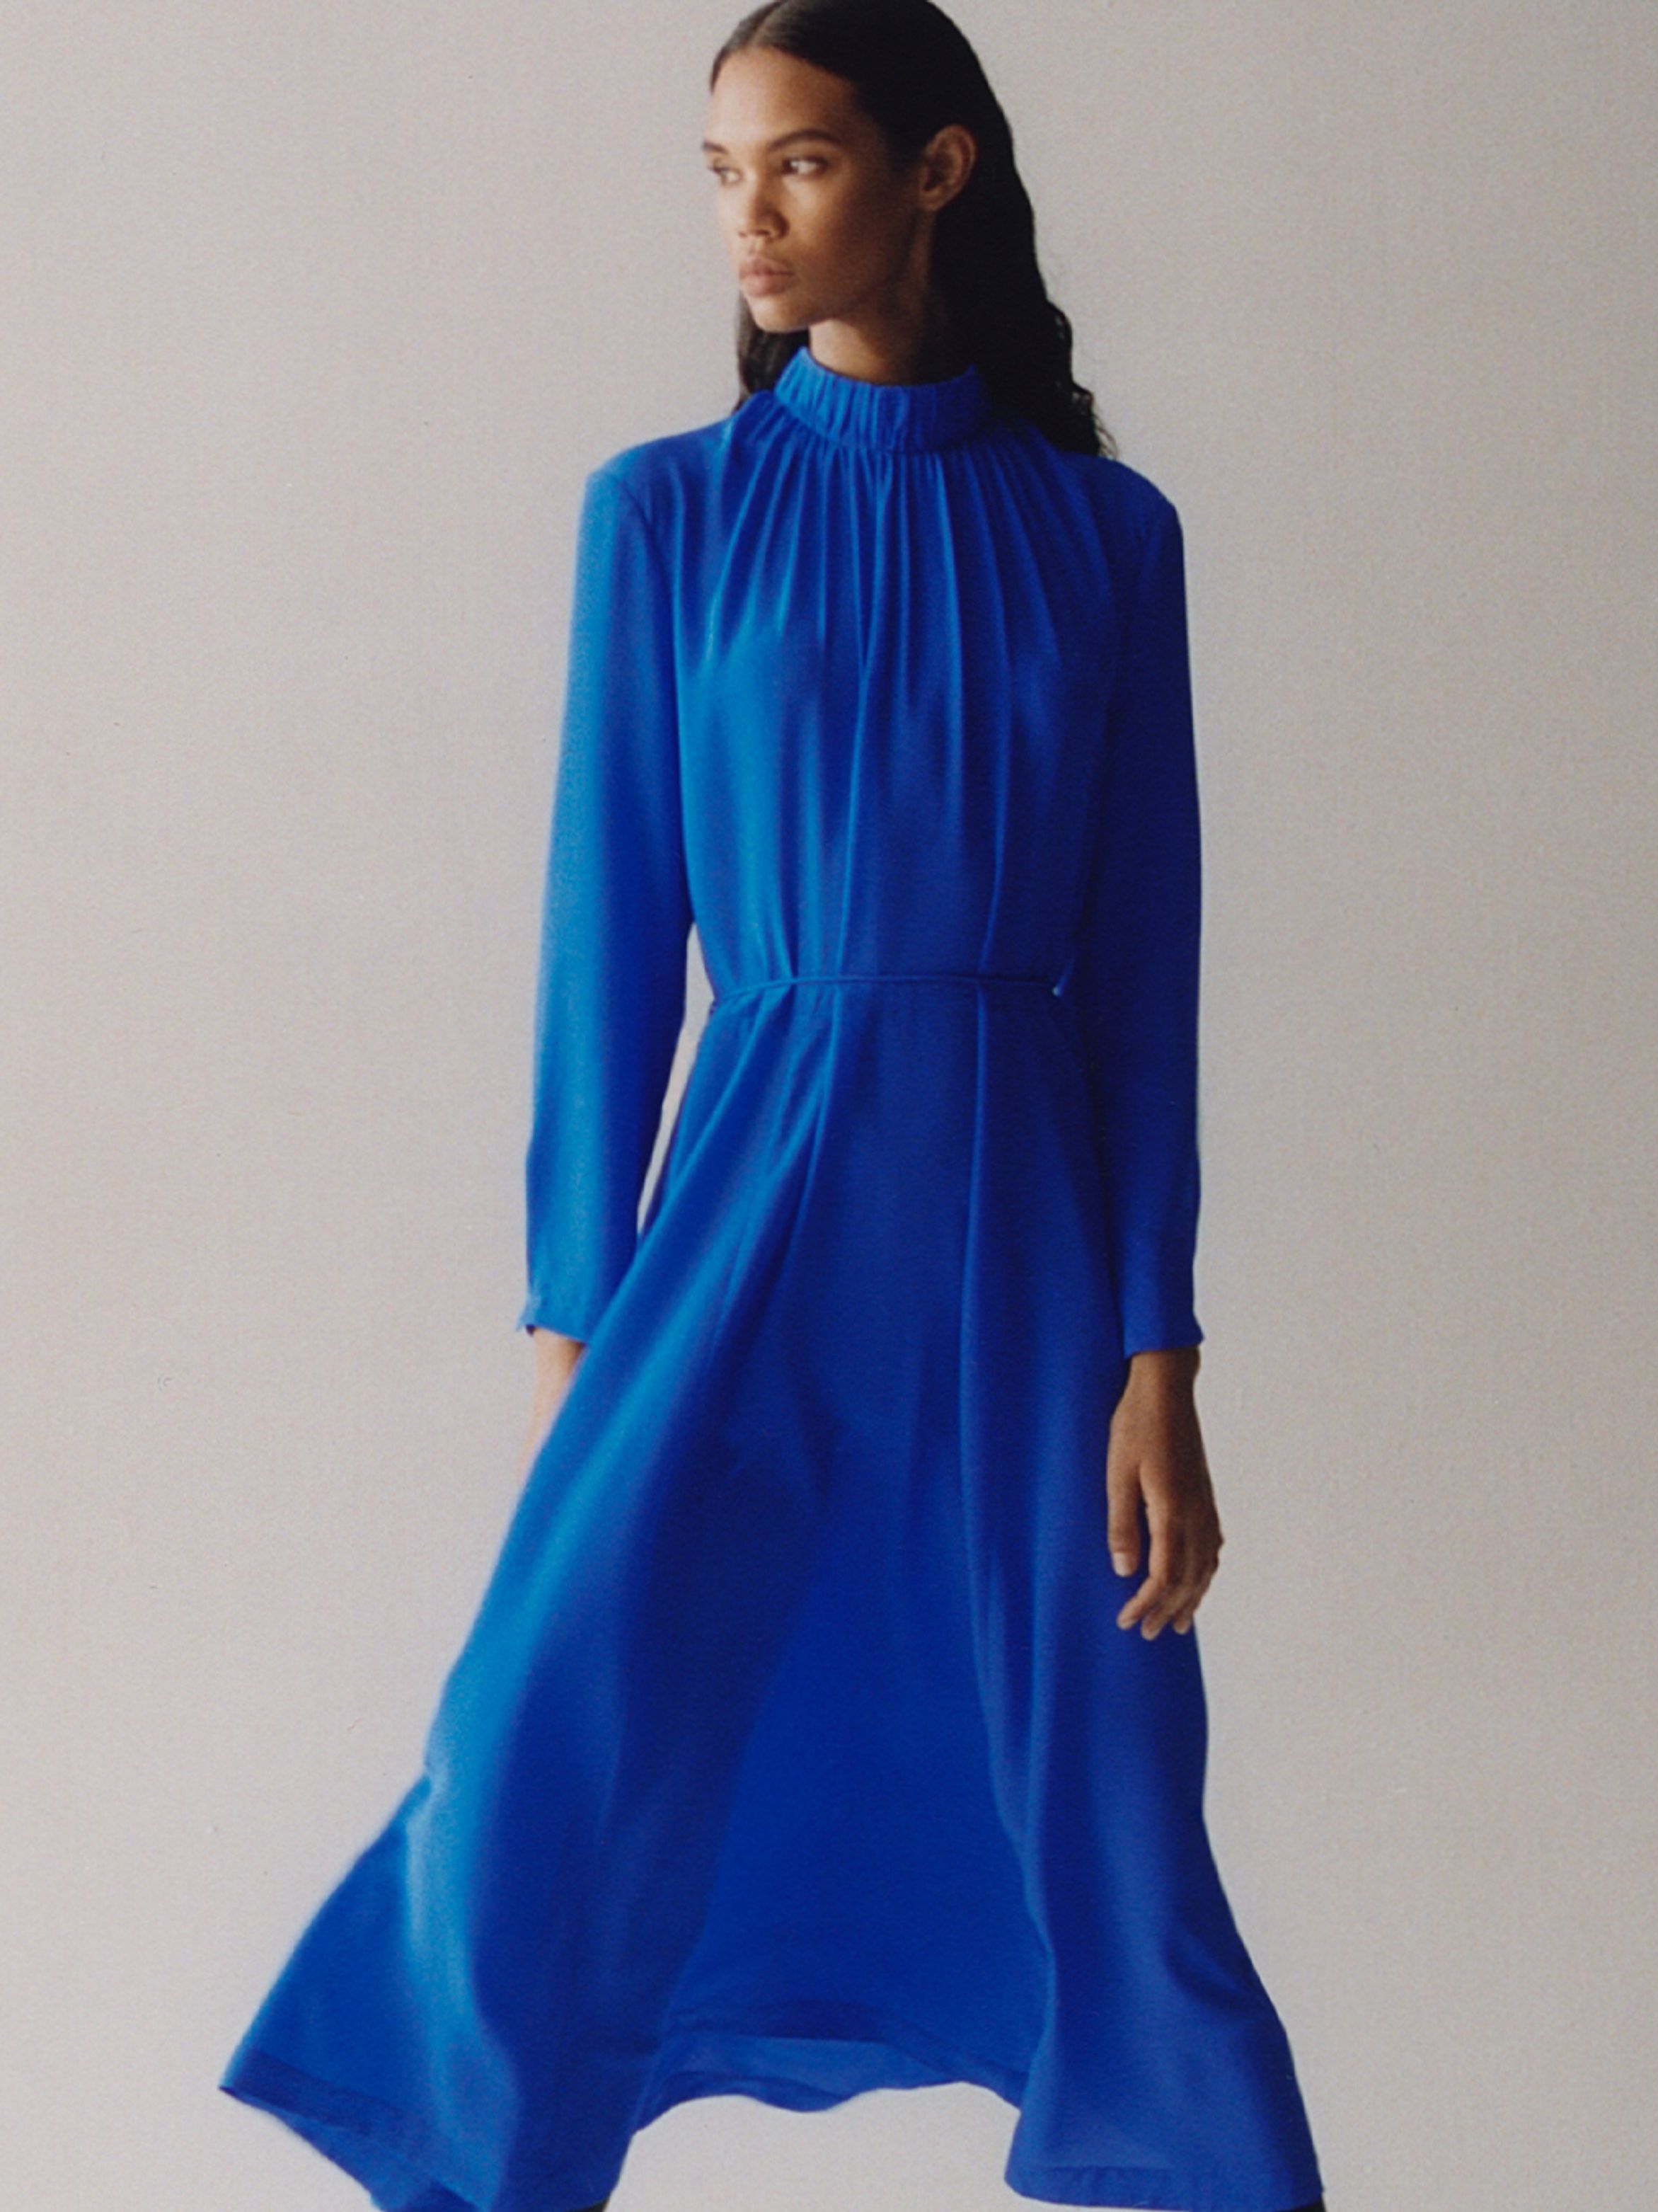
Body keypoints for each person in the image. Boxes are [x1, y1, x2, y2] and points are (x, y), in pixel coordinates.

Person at [217, 4, 1328, 2208]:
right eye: (719, 169)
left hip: (1019, 1232)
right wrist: (572, 1317)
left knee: (1096, 1773)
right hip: (742, 1211)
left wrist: (1159, 1346)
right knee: (544, 1739)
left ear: (936, 171)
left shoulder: (1108, 539)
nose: (744, 213)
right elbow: (603, 936)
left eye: (798, 164)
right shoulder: (664, 521)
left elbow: (1145, 973)